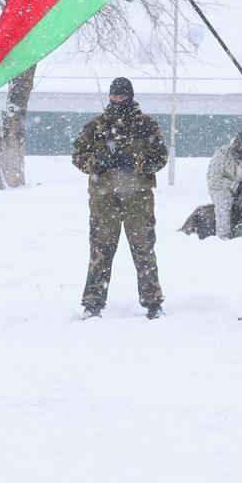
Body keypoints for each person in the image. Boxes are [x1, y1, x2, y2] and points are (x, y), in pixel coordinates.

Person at [72, 77, 168, 320]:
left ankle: (153, 303)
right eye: (114, 96)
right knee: (100, 250)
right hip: (104, 197)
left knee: (143, 248)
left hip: (138, 196)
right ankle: (93, 304)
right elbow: (78, 156)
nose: (117, 100)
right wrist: (98, 162)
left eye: (123, 96)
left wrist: (134, 163)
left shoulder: (146, 125)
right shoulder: (96, 126)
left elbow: (161, 157)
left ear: (131, 97)